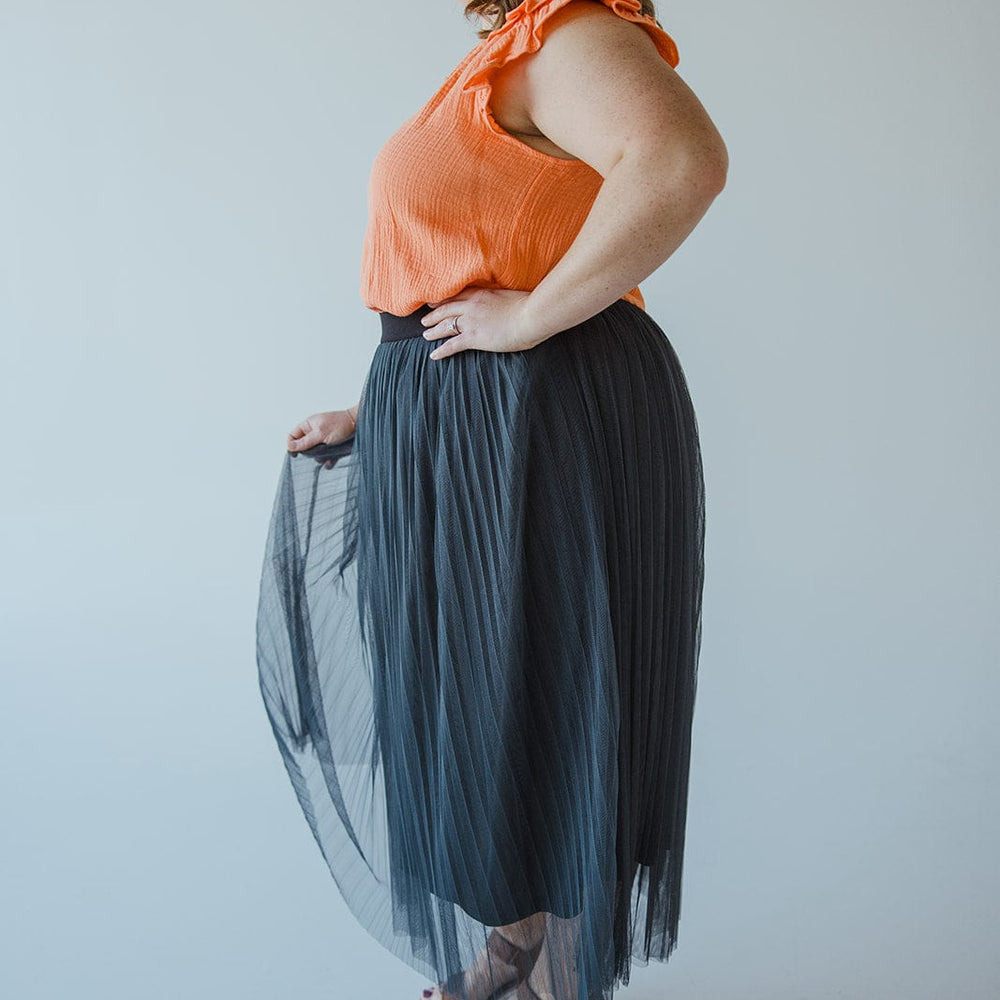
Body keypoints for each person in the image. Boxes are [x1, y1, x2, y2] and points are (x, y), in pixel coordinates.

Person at [256, 2, 727, 999]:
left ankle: (552, 979)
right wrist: (379, 407)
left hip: (531, 422)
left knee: (534, 700)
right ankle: (513, 952)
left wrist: (525, 325)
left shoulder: (572, 32)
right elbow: (469, 254)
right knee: (474, 700)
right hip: (462, 425)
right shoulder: (506, 52)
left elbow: (681, 161)